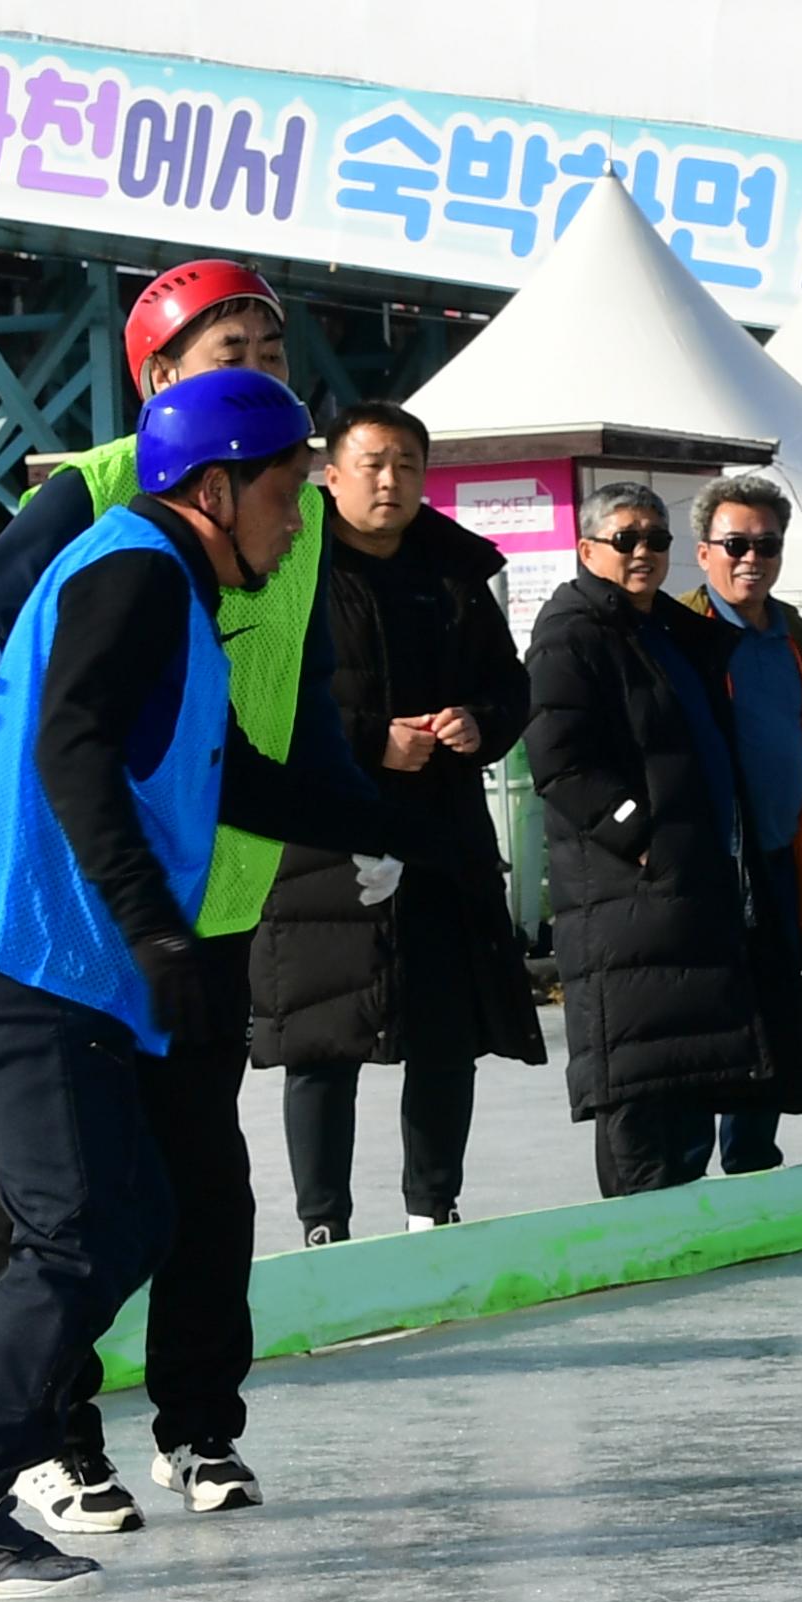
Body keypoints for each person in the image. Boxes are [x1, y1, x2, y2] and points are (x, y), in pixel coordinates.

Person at [0, 371, 415, 1598]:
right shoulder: (135, 567)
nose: (301, 518)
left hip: (43, 954)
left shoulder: (178, 594)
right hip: (14, 945)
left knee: (136, 1212)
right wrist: (158, 934)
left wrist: (377, 815)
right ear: (217, 487)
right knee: (81, 1226)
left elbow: (222, 776)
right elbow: (71, 741)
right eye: (285, 488)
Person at [0, 257, 364, 1534]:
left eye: (273, 351)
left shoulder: (296, 504)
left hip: (213, 898)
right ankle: (46, 1436)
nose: (262, 370)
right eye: (231, 350)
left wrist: (368, 823)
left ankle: (198, 1420)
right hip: (87, 911)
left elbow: (304, 689)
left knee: (196, 1183)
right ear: (160, 379)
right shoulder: (106, 496)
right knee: (58, 1197)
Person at [253, 399, 545, 1242]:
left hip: (441, 830)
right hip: (322, 835)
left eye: (408, 465)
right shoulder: (286, 565)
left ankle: (433, 1209)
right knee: (322, 1039)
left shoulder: (452, 571)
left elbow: (510, 683)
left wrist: (478, 723)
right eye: (373, 463)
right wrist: (365, 741)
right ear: (330, 476)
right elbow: (260, 698)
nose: (391, 481)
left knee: (444, 1032)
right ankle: (322, 1227)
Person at [524, 479, 784, 1196]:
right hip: (625, 895)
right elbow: (557, 758)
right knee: (635, 1077)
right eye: (626, 540)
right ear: (587, 549)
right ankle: (636, 1230)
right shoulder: (570, 631)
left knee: (684, 1065)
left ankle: (684, 1214)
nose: (644, 552)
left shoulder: (662, 628)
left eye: (656, 540)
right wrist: (640, 836)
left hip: (682, 889)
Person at [679, 471, 802, 1174]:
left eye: (766, 546)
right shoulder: (680, 634)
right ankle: (678, 1177)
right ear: (704, 551)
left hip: (777, 857)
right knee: (700, 1021)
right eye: (736, 543)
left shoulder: (797, 637)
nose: (752, 558)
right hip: (703, 865)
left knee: (770, 1015)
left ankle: (751, 1167)